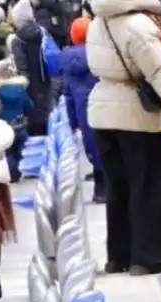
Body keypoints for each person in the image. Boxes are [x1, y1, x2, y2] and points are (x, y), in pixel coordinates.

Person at [87, 0, 161, 275]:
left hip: (102, 111)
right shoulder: (140, 25)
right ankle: (147, 259)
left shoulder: (97, 23)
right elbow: (159, 75)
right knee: (148, 186)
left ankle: (118, 256)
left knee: (118, 186)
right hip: (134, 114)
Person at [60, 17, 105, 201]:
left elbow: (68, 94)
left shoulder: (67, 60)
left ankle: (100, 190)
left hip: (83, 111)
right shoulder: (101, 53)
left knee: (93, 147)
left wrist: (72, 122)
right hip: (104, 107)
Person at [11, 0, 55, 135]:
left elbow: (22, 68)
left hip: (31, 86)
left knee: (35, 120)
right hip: (47, 80)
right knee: (48, 114)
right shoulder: (42, 31)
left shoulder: (17, 39)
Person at [0, 59, 33, 182]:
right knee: (22, 148)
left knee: (8, 151)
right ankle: (23, 170)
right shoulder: (21, 89)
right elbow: (29, 106)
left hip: (5, 126)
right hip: (20, 125)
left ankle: (12, 174)